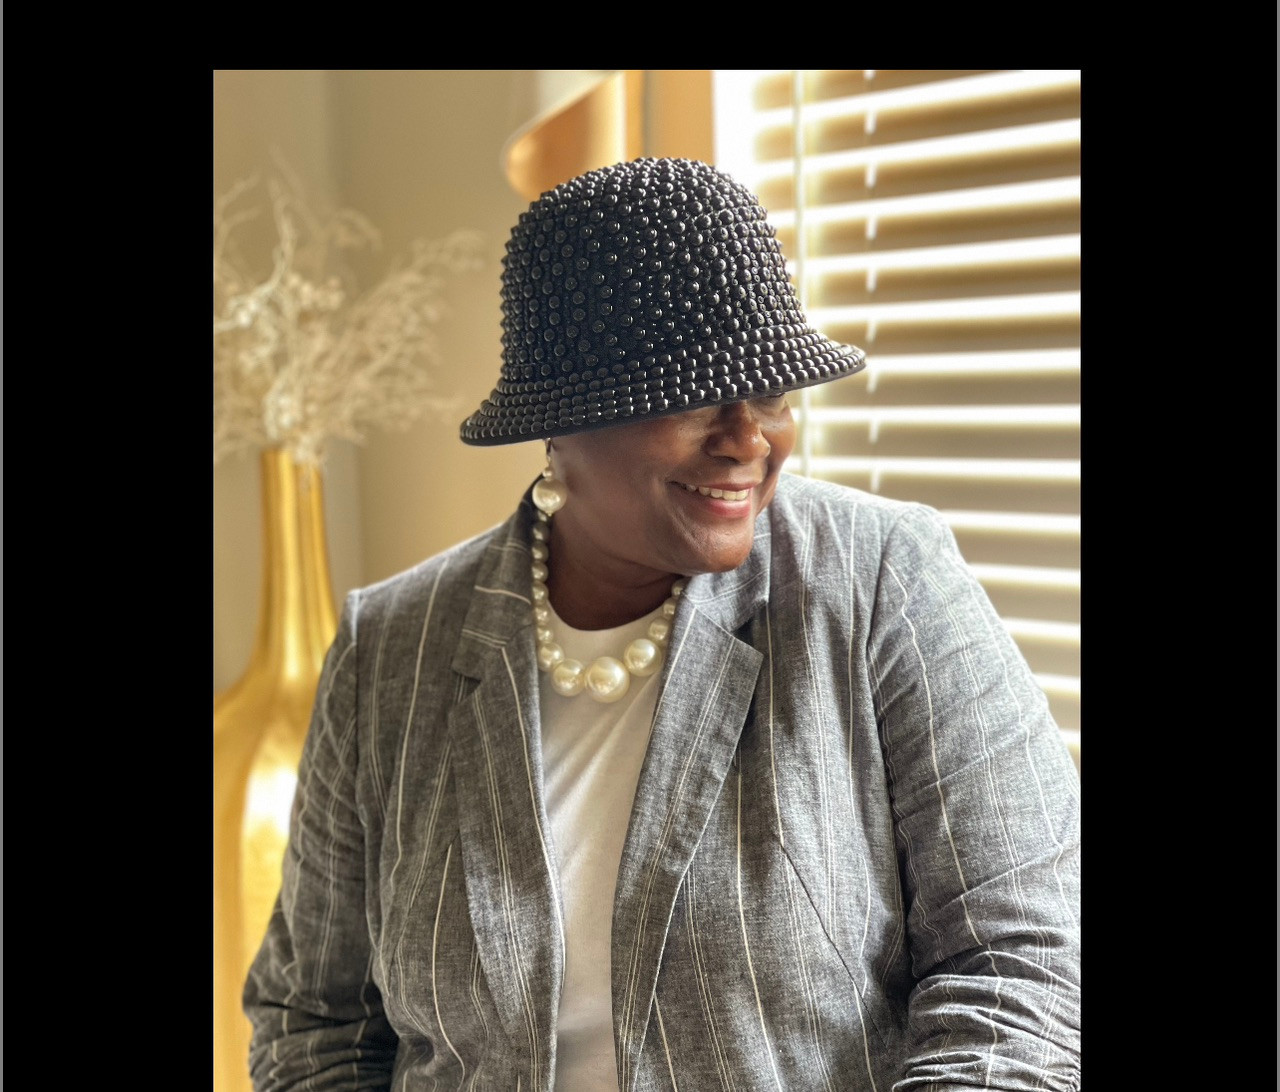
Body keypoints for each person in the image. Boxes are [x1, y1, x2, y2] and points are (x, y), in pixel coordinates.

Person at [244, 157, 1081, 1091]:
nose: (750, 440)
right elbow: (314, 1022)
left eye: (772, 392)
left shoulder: (882, 580)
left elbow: (1023, 966)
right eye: (693, 397)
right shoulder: (391, 648)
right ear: (559, 424)